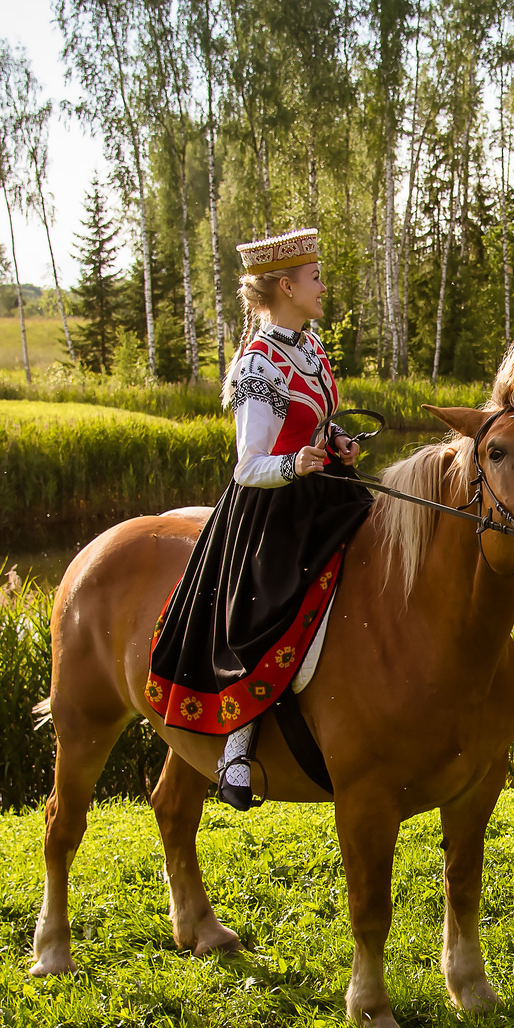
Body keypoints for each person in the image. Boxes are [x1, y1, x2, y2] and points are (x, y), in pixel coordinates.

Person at [145, 227, 368, 808]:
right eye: (315, 276)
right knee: (259, 612)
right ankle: (237, 748)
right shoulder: (256, 365)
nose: (323, 285)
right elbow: (248, 466)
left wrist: (335, 442)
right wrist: (297, 462)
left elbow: (314, 422)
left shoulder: (310, 347)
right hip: (275, 510)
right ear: (287, 285)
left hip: (327, 492)